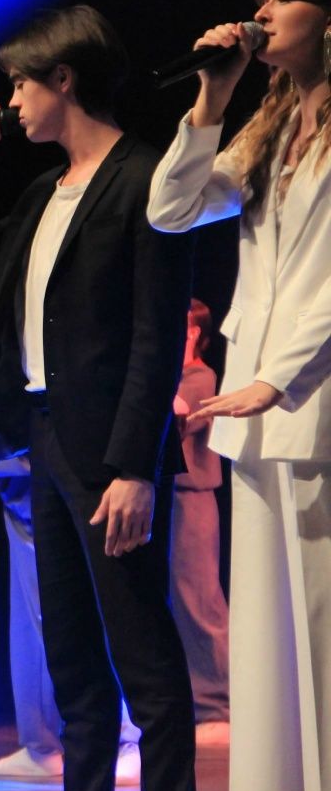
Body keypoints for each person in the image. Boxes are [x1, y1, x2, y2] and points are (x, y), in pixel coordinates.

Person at [0, 5, 196, 791]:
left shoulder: (143, 176)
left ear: (64, 79)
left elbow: (155, 336)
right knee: (73, 663)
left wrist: (134, 467)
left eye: (21, 84)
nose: (11, 101)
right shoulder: (44, 190)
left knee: (144, 658)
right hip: (45, 440)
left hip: (110, 448)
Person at [146, 0, 331, 791]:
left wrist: (279, 376)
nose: (262, 14)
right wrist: (212, 100)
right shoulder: (270, 128)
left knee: (320, 634)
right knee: (265, 642)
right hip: (252, 410)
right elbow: (171, 209)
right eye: (261, 0)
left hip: (309, 398)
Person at [0, 403, 143, 785]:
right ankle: (44, 744)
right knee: (37, 624)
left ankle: (121, 741)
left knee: (78, 617)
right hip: (31, 483)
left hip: (67, 464)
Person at [169, 300, 230, 746]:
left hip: (191, 499)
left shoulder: (199, 378)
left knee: (199, 602)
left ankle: (217, 707)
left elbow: (177, 420)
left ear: (194, 334)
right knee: (178, 602)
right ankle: (194, 704)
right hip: (168, 500)